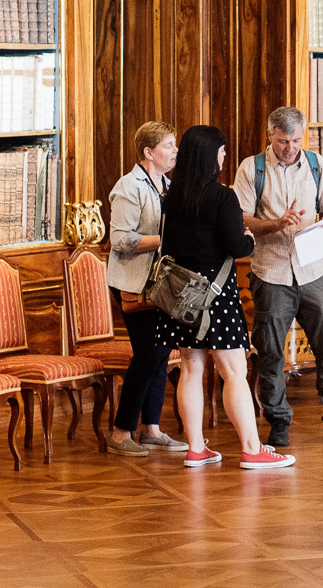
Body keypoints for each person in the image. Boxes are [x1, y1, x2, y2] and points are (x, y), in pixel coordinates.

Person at [153, 124, 294, 470]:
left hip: (183, 298)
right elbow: (237, 246)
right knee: (234, 371)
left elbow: (168, 246)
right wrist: (247, 236)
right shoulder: (222, 197)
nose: (224, 155)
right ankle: (251, 448)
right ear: (209, 156)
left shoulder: (172, 197)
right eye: (221, 150)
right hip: (217, 298)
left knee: (191, 367)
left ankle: (196, 448)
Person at [235, 107, 323, 445]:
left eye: (297, 140)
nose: (291, 148)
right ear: (270, 135)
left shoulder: (314, 163)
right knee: (270, 353)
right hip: (272, 273)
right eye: (284, 141)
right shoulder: (251, 168)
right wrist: (276, 224)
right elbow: (242, 218)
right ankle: (278, 421)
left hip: (312, 270)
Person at [104, 121, 186, 456]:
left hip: (162, 285)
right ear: (149, 152)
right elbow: (120, 240)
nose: (175, 152)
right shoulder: (129, 186)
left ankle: (151, 428)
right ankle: (122, 432)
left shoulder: (167, 185)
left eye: (175, 145)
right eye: (169, 146)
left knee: (161, 356)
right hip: (135, 285)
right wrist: (165, 240)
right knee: (147, 356)